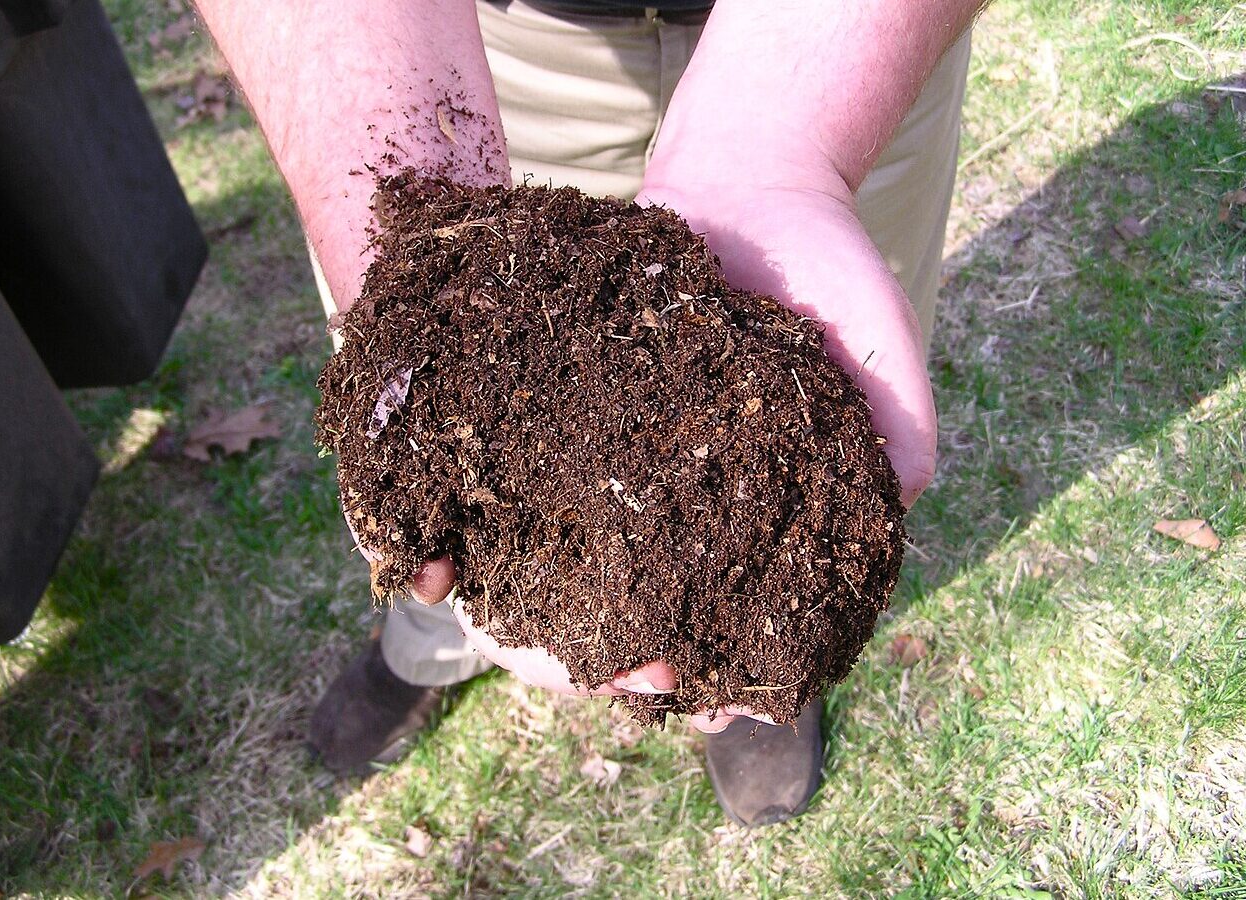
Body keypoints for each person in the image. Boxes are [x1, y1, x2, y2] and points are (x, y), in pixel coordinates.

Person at [193, 0, 985, 828]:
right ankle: (427, 649)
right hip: (455, 47)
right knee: (421, 437)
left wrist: (788, 155)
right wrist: (421, 259)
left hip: (843, 48)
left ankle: (762, 675)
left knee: (829, 378)